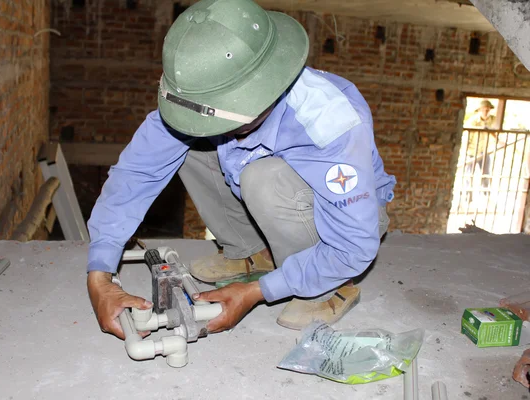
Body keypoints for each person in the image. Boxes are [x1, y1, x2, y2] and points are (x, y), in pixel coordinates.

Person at [86, 0, 396, 339]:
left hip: (345, 225)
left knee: (263, 178)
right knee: (189, 141)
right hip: (274, 195)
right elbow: (136, 172)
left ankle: (331, 287)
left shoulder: (329, 123)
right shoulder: (207, 96)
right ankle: (252, 252)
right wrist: (100, 274)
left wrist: (256, 293)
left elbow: (354, 246)